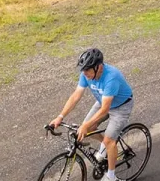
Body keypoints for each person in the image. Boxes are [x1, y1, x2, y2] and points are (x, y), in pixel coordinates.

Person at [49, 48, 134, 181]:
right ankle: (104, 149)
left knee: (109, 140)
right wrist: (60, 117)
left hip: (121, 107)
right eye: (83, 70)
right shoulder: (86, 74)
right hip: (103, 100)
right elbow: (76, 96)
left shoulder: (111, 77)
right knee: (88, 129)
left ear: (98, 67)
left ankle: (111, 176)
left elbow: (105, 110)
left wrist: (86, 125)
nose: (85, 73)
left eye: (88, 70)